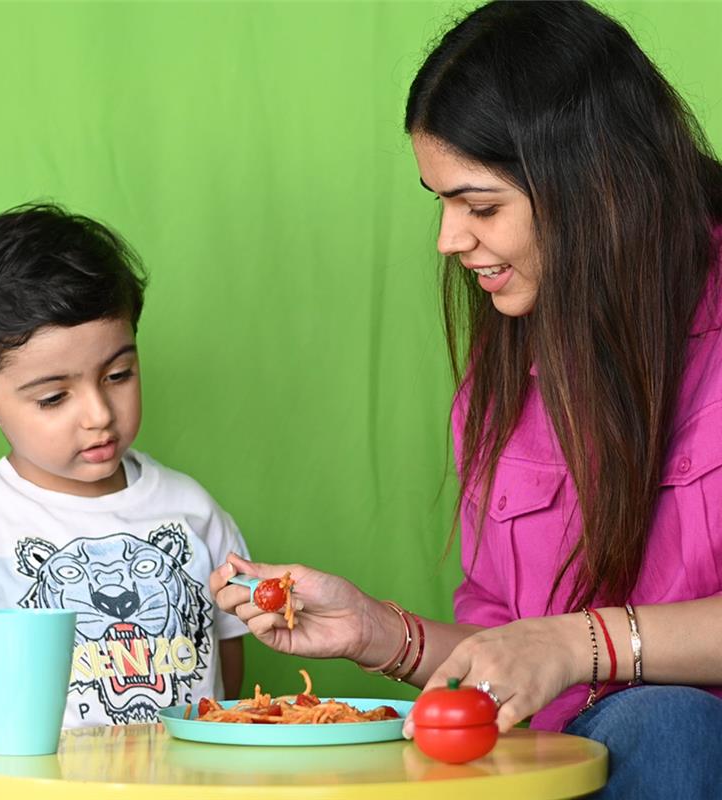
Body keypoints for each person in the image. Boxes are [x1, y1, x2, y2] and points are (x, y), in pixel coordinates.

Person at [211, 2, 722, 796]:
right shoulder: (508, 363)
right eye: (442, 202)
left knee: (666, 724)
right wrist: (379, 632)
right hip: (559, 764)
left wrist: (581, 643)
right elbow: (508, 655)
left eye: (481, 207)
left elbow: (563, 653)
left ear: (599, 186)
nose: (449, 240)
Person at [0, 204, 250, 797]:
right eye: (53, 398)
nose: (99, 414)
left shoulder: (192, 512)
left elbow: (227, 691)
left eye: (118, 375)